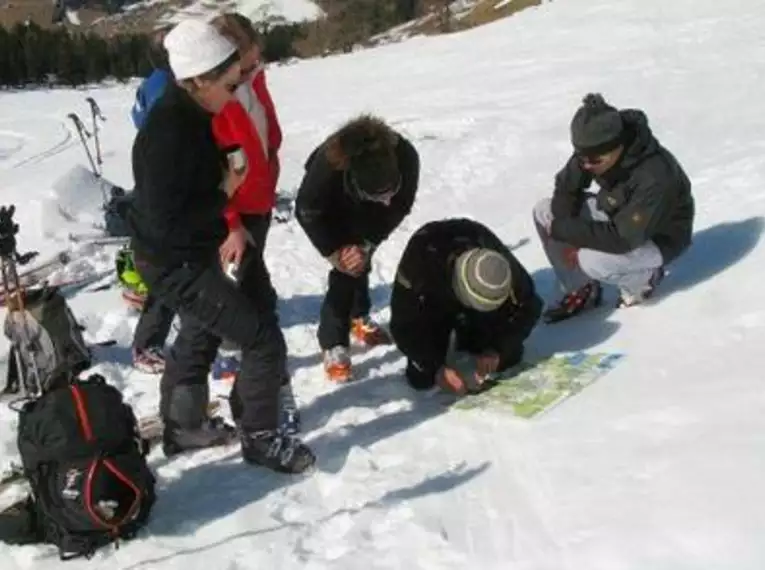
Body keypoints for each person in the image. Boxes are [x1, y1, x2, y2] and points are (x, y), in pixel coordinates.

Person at [126, 19, 314, 473]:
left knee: (207, 328)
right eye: (230, 84)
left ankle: (184, 425)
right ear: (198, 79)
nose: (235, 92)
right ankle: (261, 438)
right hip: (178, 262)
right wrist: (225, 197)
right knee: (260, 337)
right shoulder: (169, 133)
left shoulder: (191, 112)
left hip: (190, 251)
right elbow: (164, 220)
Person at [209, 11, 298, 433]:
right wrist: (230, 221)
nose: (258, 53)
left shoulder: (254, 80)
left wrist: (272, 164)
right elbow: (215, 167)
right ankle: (236, 355)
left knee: (250, 282)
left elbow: (268, 134)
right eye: (249, 48)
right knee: (238, 286)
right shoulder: (218, 95)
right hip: (235, 210)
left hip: (259, 201)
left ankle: (251, 357)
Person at [532, 93, 694, 323]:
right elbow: (567, 187)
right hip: (618, 215)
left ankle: (644, 280)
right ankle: (581, 288)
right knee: (544, 211)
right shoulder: (594, 148)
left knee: (591, 259)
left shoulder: (654, 176)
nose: (587, 165)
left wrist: (571, 236)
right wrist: (565, 235)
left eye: (594, 161)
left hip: (657, 237)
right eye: (581, 158)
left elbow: (623, 239)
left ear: (618, 147)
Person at [295, 114, 420, 382]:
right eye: (379, 195)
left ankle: (358, 315)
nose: (387, 201)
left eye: (390, 191)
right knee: (348, 269)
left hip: (366, 210)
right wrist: (335, 252)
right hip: (332, 207)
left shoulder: (406, 156)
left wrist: (368, 241)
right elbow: (308, 211)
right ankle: (332, 341)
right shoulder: (328, 167)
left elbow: (400, 205)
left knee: (361, 256)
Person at [389, 218, 542, 394]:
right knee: (422, 378)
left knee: (509, 357)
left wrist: (498, 350)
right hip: (435, 302)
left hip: (472, 303)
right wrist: (435, 368)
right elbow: (402, 325)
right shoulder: (419, 259)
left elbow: (530, 305)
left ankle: (472, 332)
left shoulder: (497, 264)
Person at [128, 25, 178, 374]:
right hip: (164, 185)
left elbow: (136, 117)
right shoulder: (166, 87)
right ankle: (147, 344)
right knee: (169, 267)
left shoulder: (152, 83)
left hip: (159, 181)